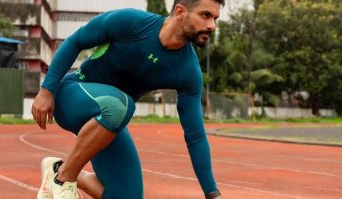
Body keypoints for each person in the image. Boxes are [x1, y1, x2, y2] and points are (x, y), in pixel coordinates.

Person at [32, 0, 224, 198]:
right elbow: (76, 41)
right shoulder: (131, 21)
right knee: (120, 105)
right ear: (180, 11)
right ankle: (63, 180)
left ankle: (57, 170)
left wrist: (212, 193)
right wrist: (47, 90)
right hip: (71, 94)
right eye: (206, 15)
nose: (212, 26)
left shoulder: (189, 71)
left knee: (128, 196)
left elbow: (195, 136)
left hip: (111, 118)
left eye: (216, 19)